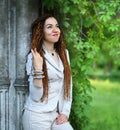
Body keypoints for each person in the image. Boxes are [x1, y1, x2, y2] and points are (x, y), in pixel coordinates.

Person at [22, 14, 73, 130]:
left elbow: (68, 85)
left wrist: (65, 112)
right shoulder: (34, 57)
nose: (55, 30)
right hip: (36, 117)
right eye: (49, 27)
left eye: (57, 26)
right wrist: (38, 70)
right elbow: (36, 96)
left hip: (56, 116)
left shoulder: (64, 54)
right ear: (41, 32)